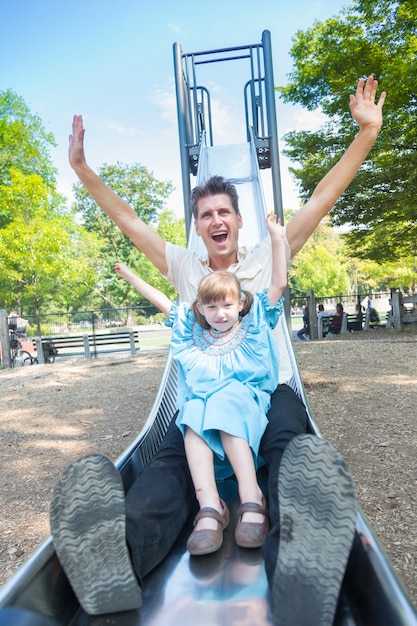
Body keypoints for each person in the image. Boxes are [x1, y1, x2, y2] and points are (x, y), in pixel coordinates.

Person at [50, 76, 385, 623]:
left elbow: (322, 200)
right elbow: (128, 220)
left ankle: (299, 566)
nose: (216, 221)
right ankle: (117, 553)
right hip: (205, 393)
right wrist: (84, 170)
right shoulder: (185, 268)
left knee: (288, 447)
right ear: (200, 228)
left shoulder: (262, 259)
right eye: (205, 215)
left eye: (223, 212)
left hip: (268, 388)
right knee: (172, 459)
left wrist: (365, 136)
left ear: (238, 218)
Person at [114, 212, 286, 555]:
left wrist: (278, 239)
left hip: (245, 403)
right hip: (208, 416)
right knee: (191, 414)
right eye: (211, 307)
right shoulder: (195, 333)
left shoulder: (252, 323)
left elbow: (278, 284)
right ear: (201, 311)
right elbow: (163, 302)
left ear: (240, 304)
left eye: (226, 304)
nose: (220, 312)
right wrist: (132, 277)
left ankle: (252, 497)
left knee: (222, 401)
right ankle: (211, 506)